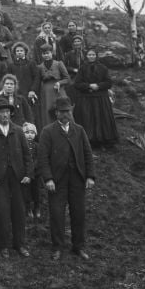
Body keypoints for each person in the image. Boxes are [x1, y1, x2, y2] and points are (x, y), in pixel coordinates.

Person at [38, 97, 96, 261]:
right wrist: (48, 178)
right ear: (56, 113)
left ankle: (79, 246)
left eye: (68, 111)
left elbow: (87, 154)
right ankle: (57, 247)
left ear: (71, 112)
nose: (65, 115)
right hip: (56, 181)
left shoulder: (79, 130)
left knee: (79, 213)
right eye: (62, 112)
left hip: (77, 179)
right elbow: (42, 158)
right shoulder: (47, 131)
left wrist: (90, 176)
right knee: (56, 214)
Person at [0, 96, 33, 259]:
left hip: (17, 176)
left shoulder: (18, 130)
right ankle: (3, 245)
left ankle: (20, 244)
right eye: (2, 112)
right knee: (2, 212)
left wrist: (28, 174)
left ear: (11, 114)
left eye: (7, 112)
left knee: (19, 210)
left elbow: (27, 155)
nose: (5, 115)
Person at [73, 47, 119, 148]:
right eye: (89, 55)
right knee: (87, 119)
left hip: (100, 98)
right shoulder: (82, 68)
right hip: (86, 98)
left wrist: (98, 86)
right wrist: (89, 86)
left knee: (101, 118)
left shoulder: (103, 68)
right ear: (86, 56)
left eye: (93, 55)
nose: (91, 56)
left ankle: (103, 140)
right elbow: (77, 84)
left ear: (96, 56)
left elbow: (108, 82)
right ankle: (89, 141)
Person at [36, 43, 71, 131]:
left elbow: (67, 79)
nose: (46, 55)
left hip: (59, 91)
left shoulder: (59, 64)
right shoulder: (40, 67)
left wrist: (60, 83)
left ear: (52, 53)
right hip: (46, 92)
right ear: (41, 55)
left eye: (48, 53)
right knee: (48, 112)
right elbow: (37, 81)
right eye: (44, 53)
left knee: (62, 109)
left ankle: (67, 130)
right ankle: (50, 132)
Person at [21, 122, 42, 221]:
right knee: (26, 192)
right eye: (27, 132)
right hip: (26, 174)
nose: (30, 135)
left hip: (36, 174)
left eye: (32, 133)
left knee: (36, 191)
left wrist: (33, 167)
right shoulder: (21, 146)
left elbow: (39, 158)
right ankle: (28, 208)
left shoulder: (37, 146)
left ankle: (37, 207)